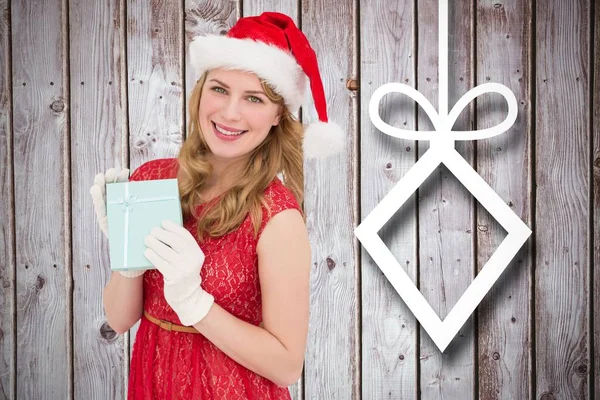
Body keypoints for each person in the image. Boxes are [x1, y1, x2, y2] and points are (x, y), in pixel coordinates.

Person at [90, 11, 343, 400]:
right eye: (220, 89)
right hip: (152, 382)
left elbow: (287, 365)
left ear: (278, 116)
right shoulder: (153, 179)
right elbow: (118, 319)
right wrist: (126, 262)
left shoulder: (277, 217)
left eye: (254, 98)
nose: (229, 113)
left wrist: (195, 302)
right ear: (201, 91)